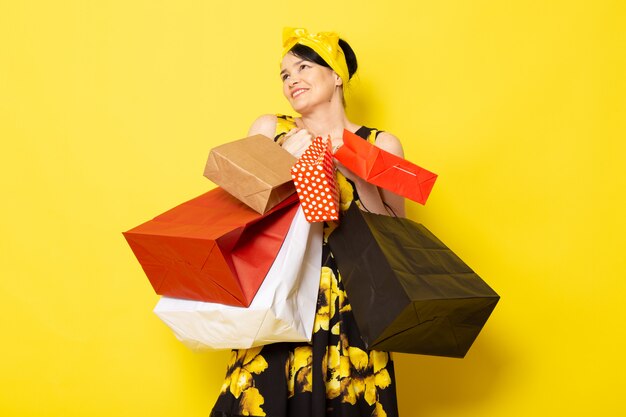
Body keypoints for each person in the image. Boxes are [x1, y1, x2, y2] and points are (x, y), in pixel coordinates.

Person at [210, 27, 405, 417]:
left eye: (302, 67)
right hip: (282, 298)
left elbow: (400, 241)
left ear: (336, 75)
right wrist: (279, 164)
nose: (291, 79)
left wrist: (364, 180)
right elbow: (235, 217)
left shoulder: (381, 145)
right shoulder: (269, 130)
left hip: (353, 307)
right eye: (284, 74)